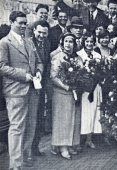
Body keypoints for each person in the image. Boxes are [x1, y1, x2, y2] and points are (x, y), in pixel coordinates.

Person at [0, 11, 43, 169]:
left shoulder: (29, 42)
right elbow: (2, 66)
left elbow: (38, 62)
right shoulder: (5, 42)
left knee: (30, 125)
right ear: (12, 22)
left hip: (32, 89)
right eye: (21, 23)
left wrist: (38, 71)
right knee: (17, 127)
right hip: (15, 91)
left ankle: (25, 157)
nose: (24, 25)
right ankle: (15, 165)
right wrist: (24, 76)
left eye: (26, 23)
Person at [50, 32, 83, 160]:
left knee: (73, 119)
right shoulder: (57, 57)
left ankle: (70, 144)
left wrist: (78, 84)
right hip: (62, 93)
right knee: (62, 120)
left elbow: (82, 73)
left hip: (74, 93)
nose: (69, 44)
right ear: (62, 43)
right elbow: (54, 76)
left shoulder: (77, 58)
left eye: (71, 41)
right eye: (67, 41)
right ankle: (62, 146)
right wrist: (66, 86)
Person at [77, 32, 102, 149]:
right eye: (87, 41)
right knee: (84, 113)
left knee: (93, 112)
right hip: (84, 89)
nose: (89, 44)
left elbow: (101, 70)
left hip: (95, 87)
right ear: (83, 42)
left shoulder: (97, 55)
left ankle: (89, 139)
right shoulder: (79, 55)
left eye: (91, 42)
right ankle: (80, 139)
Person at [30, 20, 51, 157]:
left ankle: (35, 147)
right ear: (34, 31)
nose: (41, 35)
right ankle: (27, 149)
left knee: (39, 117)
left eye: (44, 33)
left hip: (42, 84)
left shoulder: (47, 43)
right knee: (30, 118)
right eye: (39, 32)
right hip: (30, 84)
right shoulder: (28, 43)